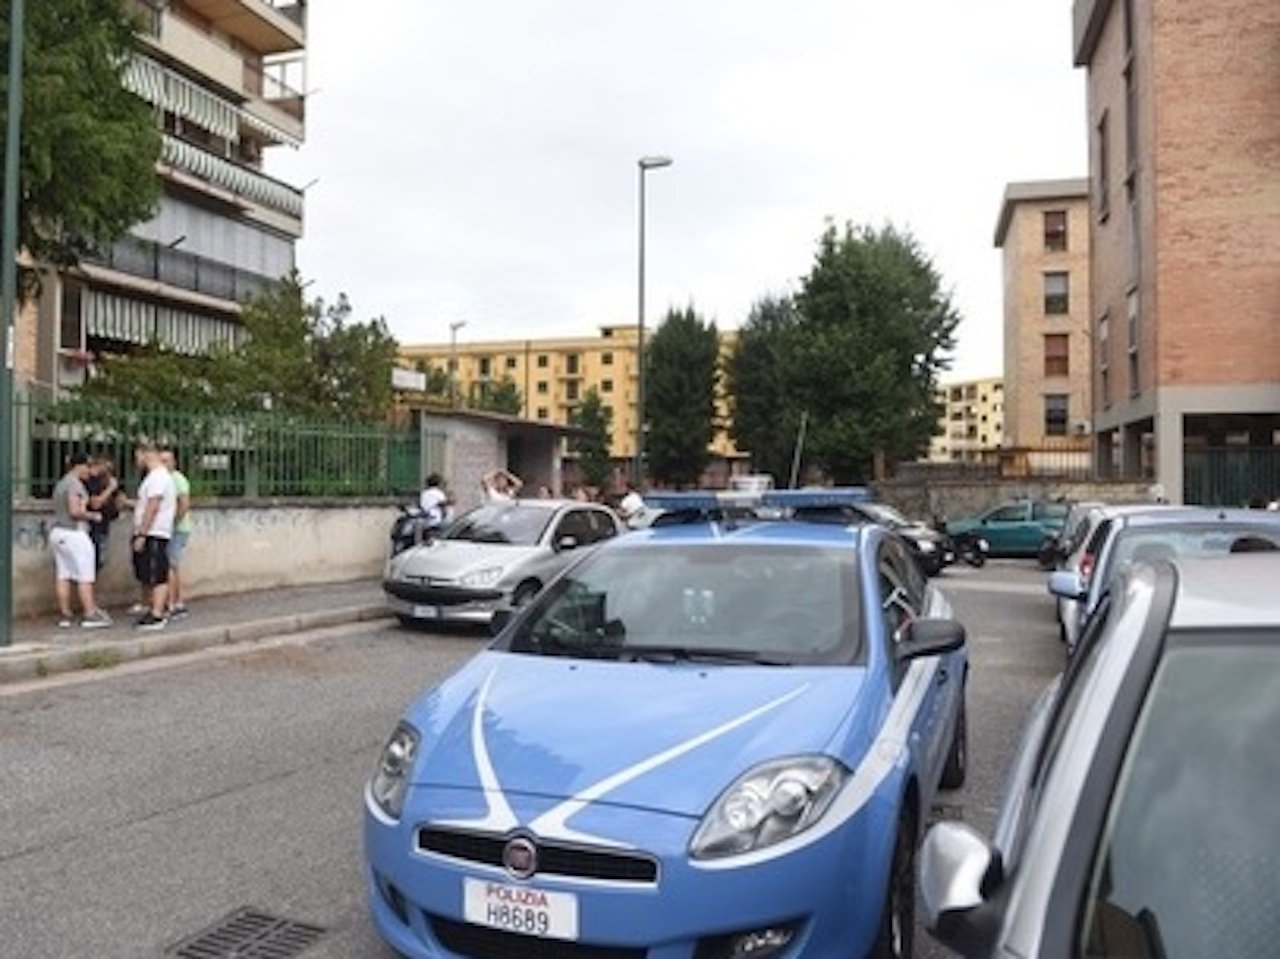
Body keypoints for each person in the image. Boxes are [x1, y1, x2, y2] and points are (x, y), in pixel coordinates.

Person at [49, 452, 112, 629]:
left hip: (58, 532)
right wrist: (93, 516)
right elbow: (75, 511)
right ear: (79, 466)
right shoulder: (74, 485)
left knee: (63, 574)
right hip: (74, 533)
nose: (89, 470)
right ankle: (90, 613)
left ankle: (65, 613)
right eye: (87, 466)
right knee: (85, 574)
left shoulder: (61, 483)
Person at [131, 442, 177, 630]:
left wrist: (142, 533)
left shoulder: (158, 477)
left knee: (157, 572)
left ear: (146, 454)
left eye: (137, 456)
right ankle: (153, 609)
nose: (136, 461)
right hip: (151, 531)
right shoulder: (154, 477)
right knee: (148, 572)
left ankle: (157, 613)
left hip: (155, 532)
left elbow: (153, 506)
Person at [161, 449, 192, 618]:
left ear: (174, 463)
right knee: (172, 565)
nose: (164, 465)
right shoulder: (164, 479)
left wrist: (173, 523)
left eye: (167, 461)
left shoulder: (177, 479)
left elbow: (184, 503)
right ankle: (175, 600)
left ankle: (173, 602)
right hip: (173, 528)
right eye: (162, 461)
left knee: (170, 565)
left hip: (177, 528)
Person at [84, 455, 124, 572]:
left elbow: (119, 501)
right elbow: (95, 504)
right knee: (93, 561)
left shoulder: (107, 482)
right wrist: (110, 489)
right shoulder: (90, 482)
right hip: (92, 526)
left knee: (99, 561)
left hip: (104, 525)